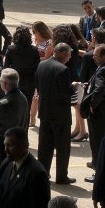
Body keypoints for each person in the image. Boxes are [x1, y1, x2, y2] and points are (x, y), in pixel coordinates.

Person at [36, 42, 75, 184]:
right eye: (68, 55)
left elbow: (38, 86)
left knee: (44, 145)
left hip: (45, 111)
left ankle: (43, 172)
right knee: (62, 147)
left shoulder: (42, 65)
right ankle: (61, 176)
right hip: (60, 115)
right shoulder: (63, 70)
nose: (69, 58)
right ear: (63, 54)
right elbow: (65, 92)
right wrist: (73, 87)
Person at [80, 44, 105, 173]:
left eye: (96, 56)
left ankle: (97, 167)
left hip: (99, 110)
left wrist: (93, 104)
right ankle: (97, 162)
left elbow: (100, 88)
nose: (93, 58)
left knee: (97, 139)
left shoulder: (103, 70)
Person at [0, 68, 29, 180]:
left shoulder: (4, 102)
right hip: (20, 143)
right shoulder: (23, 97)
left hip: (3, 146)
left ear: (5, 84)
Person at [5, 26, 40, 114]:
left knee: (13, 107)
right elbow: (37, 68)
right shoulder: (34, 50)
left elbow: (6, 67)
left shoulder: (11, 49)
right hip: (29, 81)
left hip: (13, 80)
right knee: (27, 107)